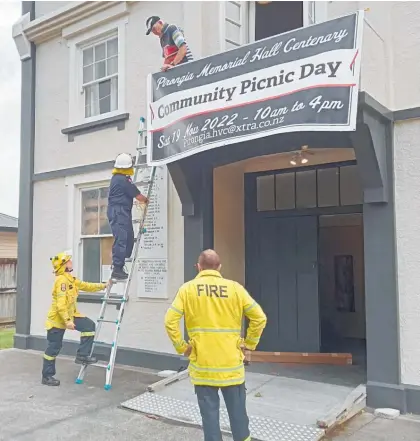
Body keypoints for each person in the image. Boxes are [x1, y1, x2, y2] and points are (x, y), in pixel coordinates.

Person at [164, 249, 267, 441]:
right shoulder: (235, 288)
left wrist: (182, 347)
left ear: (198, 267)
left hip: (203, 366)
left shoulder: (188, 289)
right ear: (219, 267)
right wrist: (249, 344)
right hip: (232, 367)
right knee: (238, 418)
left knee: (210, 419)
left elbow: (170, 321)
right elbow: (259, 318)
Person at [42, 250, 109, 386]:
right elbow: (61, 305)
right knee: (53, 348)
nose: (71, 262)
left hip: (71, 316)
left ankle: (82, 355)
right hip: (57, 321)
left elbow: (85, 285)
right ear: (64, 265)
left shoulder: (70, 279)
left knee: (89, 326)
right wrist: (67, 321)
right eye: (68, 260)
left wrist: (103, 285)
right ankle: (47, 376)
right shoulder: (62, 281)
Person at [107, 153, 148, 280]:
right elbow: (137, 195)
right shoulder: (122, 180)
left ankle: (122, 261)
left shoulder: (118, 178)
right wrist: (146, 200)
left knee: (129, 237)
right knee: (122, 238)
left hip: (122, 211)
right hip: (118, 211)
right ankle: (117, 268)